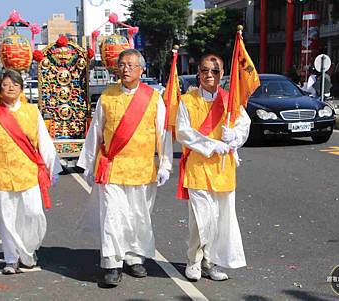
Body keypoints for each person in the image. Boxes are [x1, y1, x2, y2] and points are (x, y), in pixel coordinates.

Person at [78, 49, 172, 287]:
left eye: (131, 64)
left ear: (141, 69)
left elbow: (163, 134)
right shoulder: (107, 97)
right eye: (122, 64)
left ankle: (134, 258)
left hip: (142, 168)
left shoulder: (153, 97)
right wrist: (88, 165)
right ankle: (112, 263)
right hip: (112, 167)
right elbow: (96, 132)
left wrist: (165, 164)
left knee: (138, 217)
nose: (126, 68)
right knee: (113, 216)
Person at [0, 69, 62, 274]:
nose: (11, 87)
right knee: (7, 218)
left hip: (28, 173)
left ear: (21, 87)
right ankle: (11, 258)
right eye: (6, 84)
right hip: (2, 174)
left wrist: (53, 167)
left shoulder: (32, 111)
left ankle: (28, 251)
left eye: (15, 84)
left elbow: (43, 140)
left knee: (33, 214)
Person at [176, 54, 250, 281]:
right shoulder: (187, 101)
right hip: (198, 167)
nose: (210, 75)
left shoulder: (230, 101)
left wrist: (234, 136)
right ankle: (194, 260)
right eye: (205, 70)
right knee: (201, 219)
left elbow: (244, 126)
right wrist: (211, 144)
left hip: (223, 169)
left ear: (222, 74)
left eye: (215, 71)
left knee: (220, 220)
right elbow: (183, 132)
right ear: (198, 73)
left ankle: (212, 262)